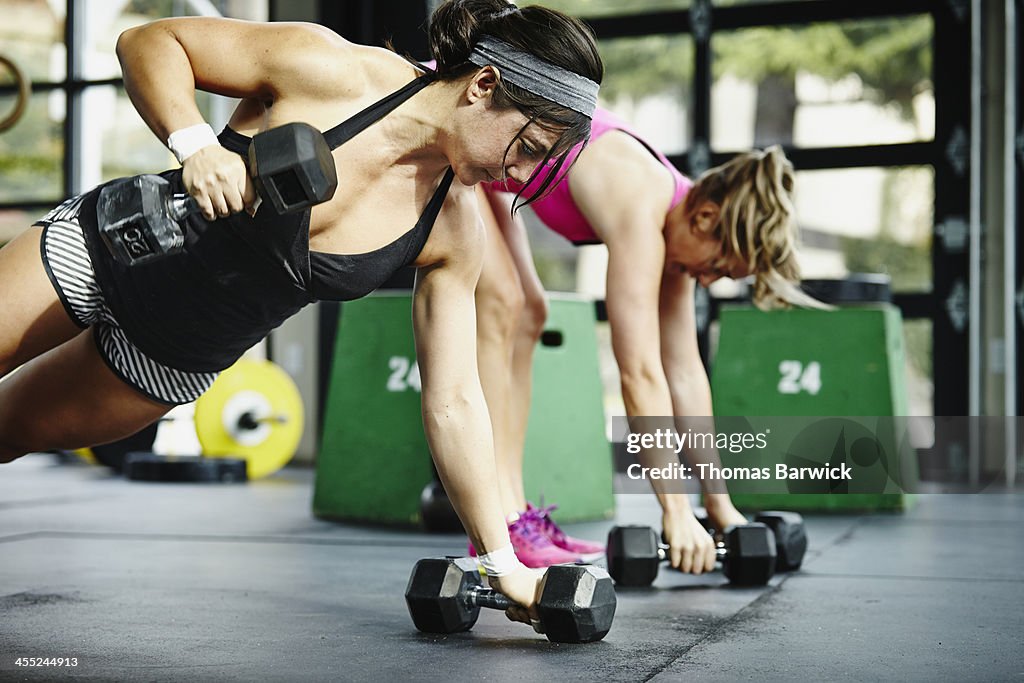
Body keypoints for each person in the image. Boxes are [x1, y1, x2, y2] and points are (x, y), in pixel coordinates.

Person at [0, 0, 602, 626]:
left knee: (7, 432)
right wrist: (197, 145)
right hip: (116, 244)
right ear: (483, 85)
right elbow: (150, 42)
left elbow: (453, 401)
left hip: (173, 355)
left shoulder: (453, 231)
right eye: (527, 147)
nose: (520, 173)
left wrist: (501, 564)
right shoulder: (332, 69)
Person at [475, 105, 824, 570]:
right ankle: (497, 524)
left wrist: (719, 506)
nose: (708, 281)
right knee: (504, 303)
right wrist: (675, 512)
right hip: (455, 127)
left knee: (529, 313)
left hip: (493, 171)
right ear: (704, 217)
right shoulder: (641, 202)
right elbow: (638, 373)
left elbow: (683, 374)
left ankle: (515, 516)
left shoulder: (677, 222)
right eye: (718, 266)